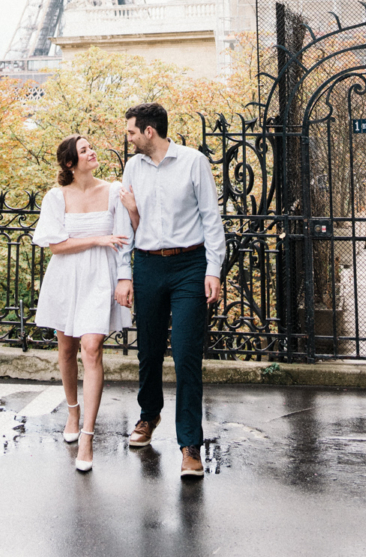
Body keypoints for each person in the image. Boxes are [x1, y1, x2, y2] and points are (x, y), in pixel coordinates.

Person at [114, 102, 226, 479]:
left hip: (189, 266)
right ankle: (149, 415)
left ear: (149, 131)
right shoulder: (132, 167)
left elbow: (211, 218)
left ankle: (190, 445)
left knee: (186, 355)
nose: (127, 137)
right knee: (148, 350)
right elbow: (128, 223)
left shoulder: (193, 161)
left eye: (131, 131)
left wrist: (213, 269)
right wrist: (124, 274)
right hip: (147, 264)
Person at [32, 134, 131, 473]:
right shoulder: (56, 197)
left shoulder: (115, 191)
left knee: (91, 348)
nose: (92, 152)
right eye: (85, 150)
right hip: (66, 278)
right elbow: (55, 246)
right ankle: (72, 411)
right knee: (66, 348)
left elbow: (125, 237)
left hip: (100, 278)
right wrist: (96, 239)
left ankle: (88, 436)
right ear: (70, 163)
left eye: (91, 147)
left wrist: (123, 276)